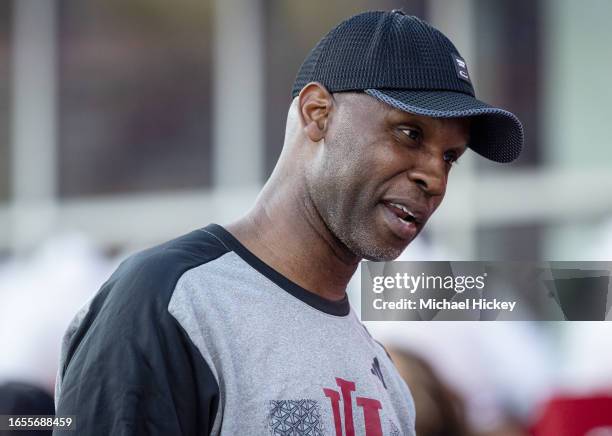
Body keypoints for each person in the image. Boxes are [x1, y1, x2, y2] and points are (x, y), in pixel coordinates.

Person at [53, 10, 523, 436]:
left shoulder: (383, 376)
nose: (434, 177)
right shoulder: (173, 301)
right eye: (409, 133)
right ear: (317, 113)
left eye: (450, 157)